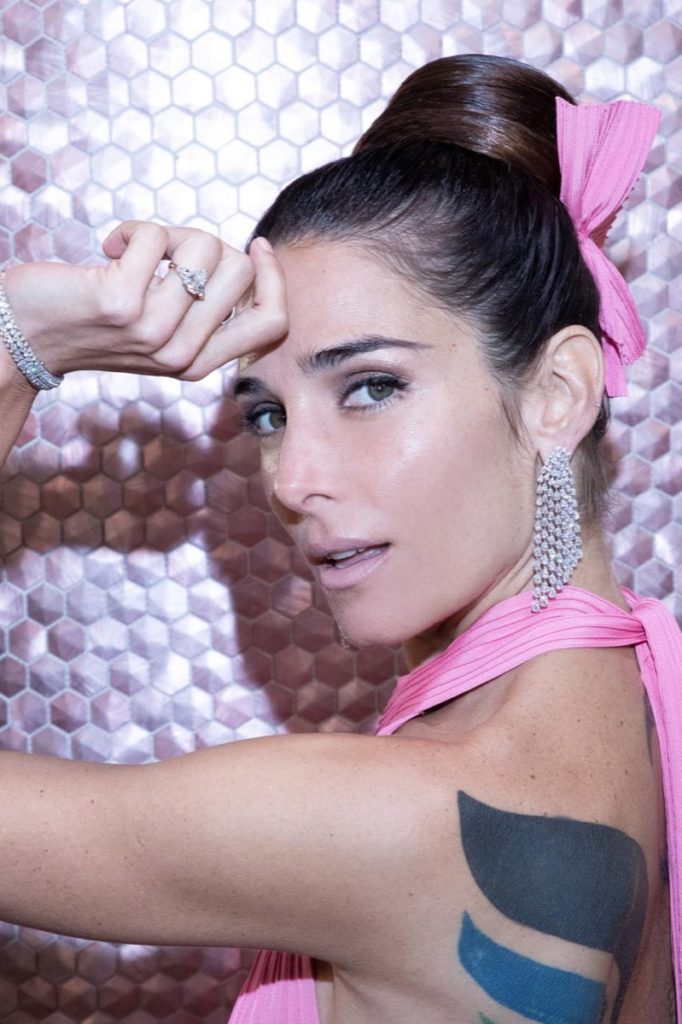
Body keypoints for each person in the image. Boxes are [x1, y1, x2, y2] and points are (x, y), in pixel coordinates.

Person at [0, 53, 678, 1024]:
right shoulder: (637, 693)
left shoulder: (383, 823)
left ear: (557, 393)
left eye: (369, 387)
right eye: (268, 414)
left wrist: (24, 335)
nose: (290, 480)